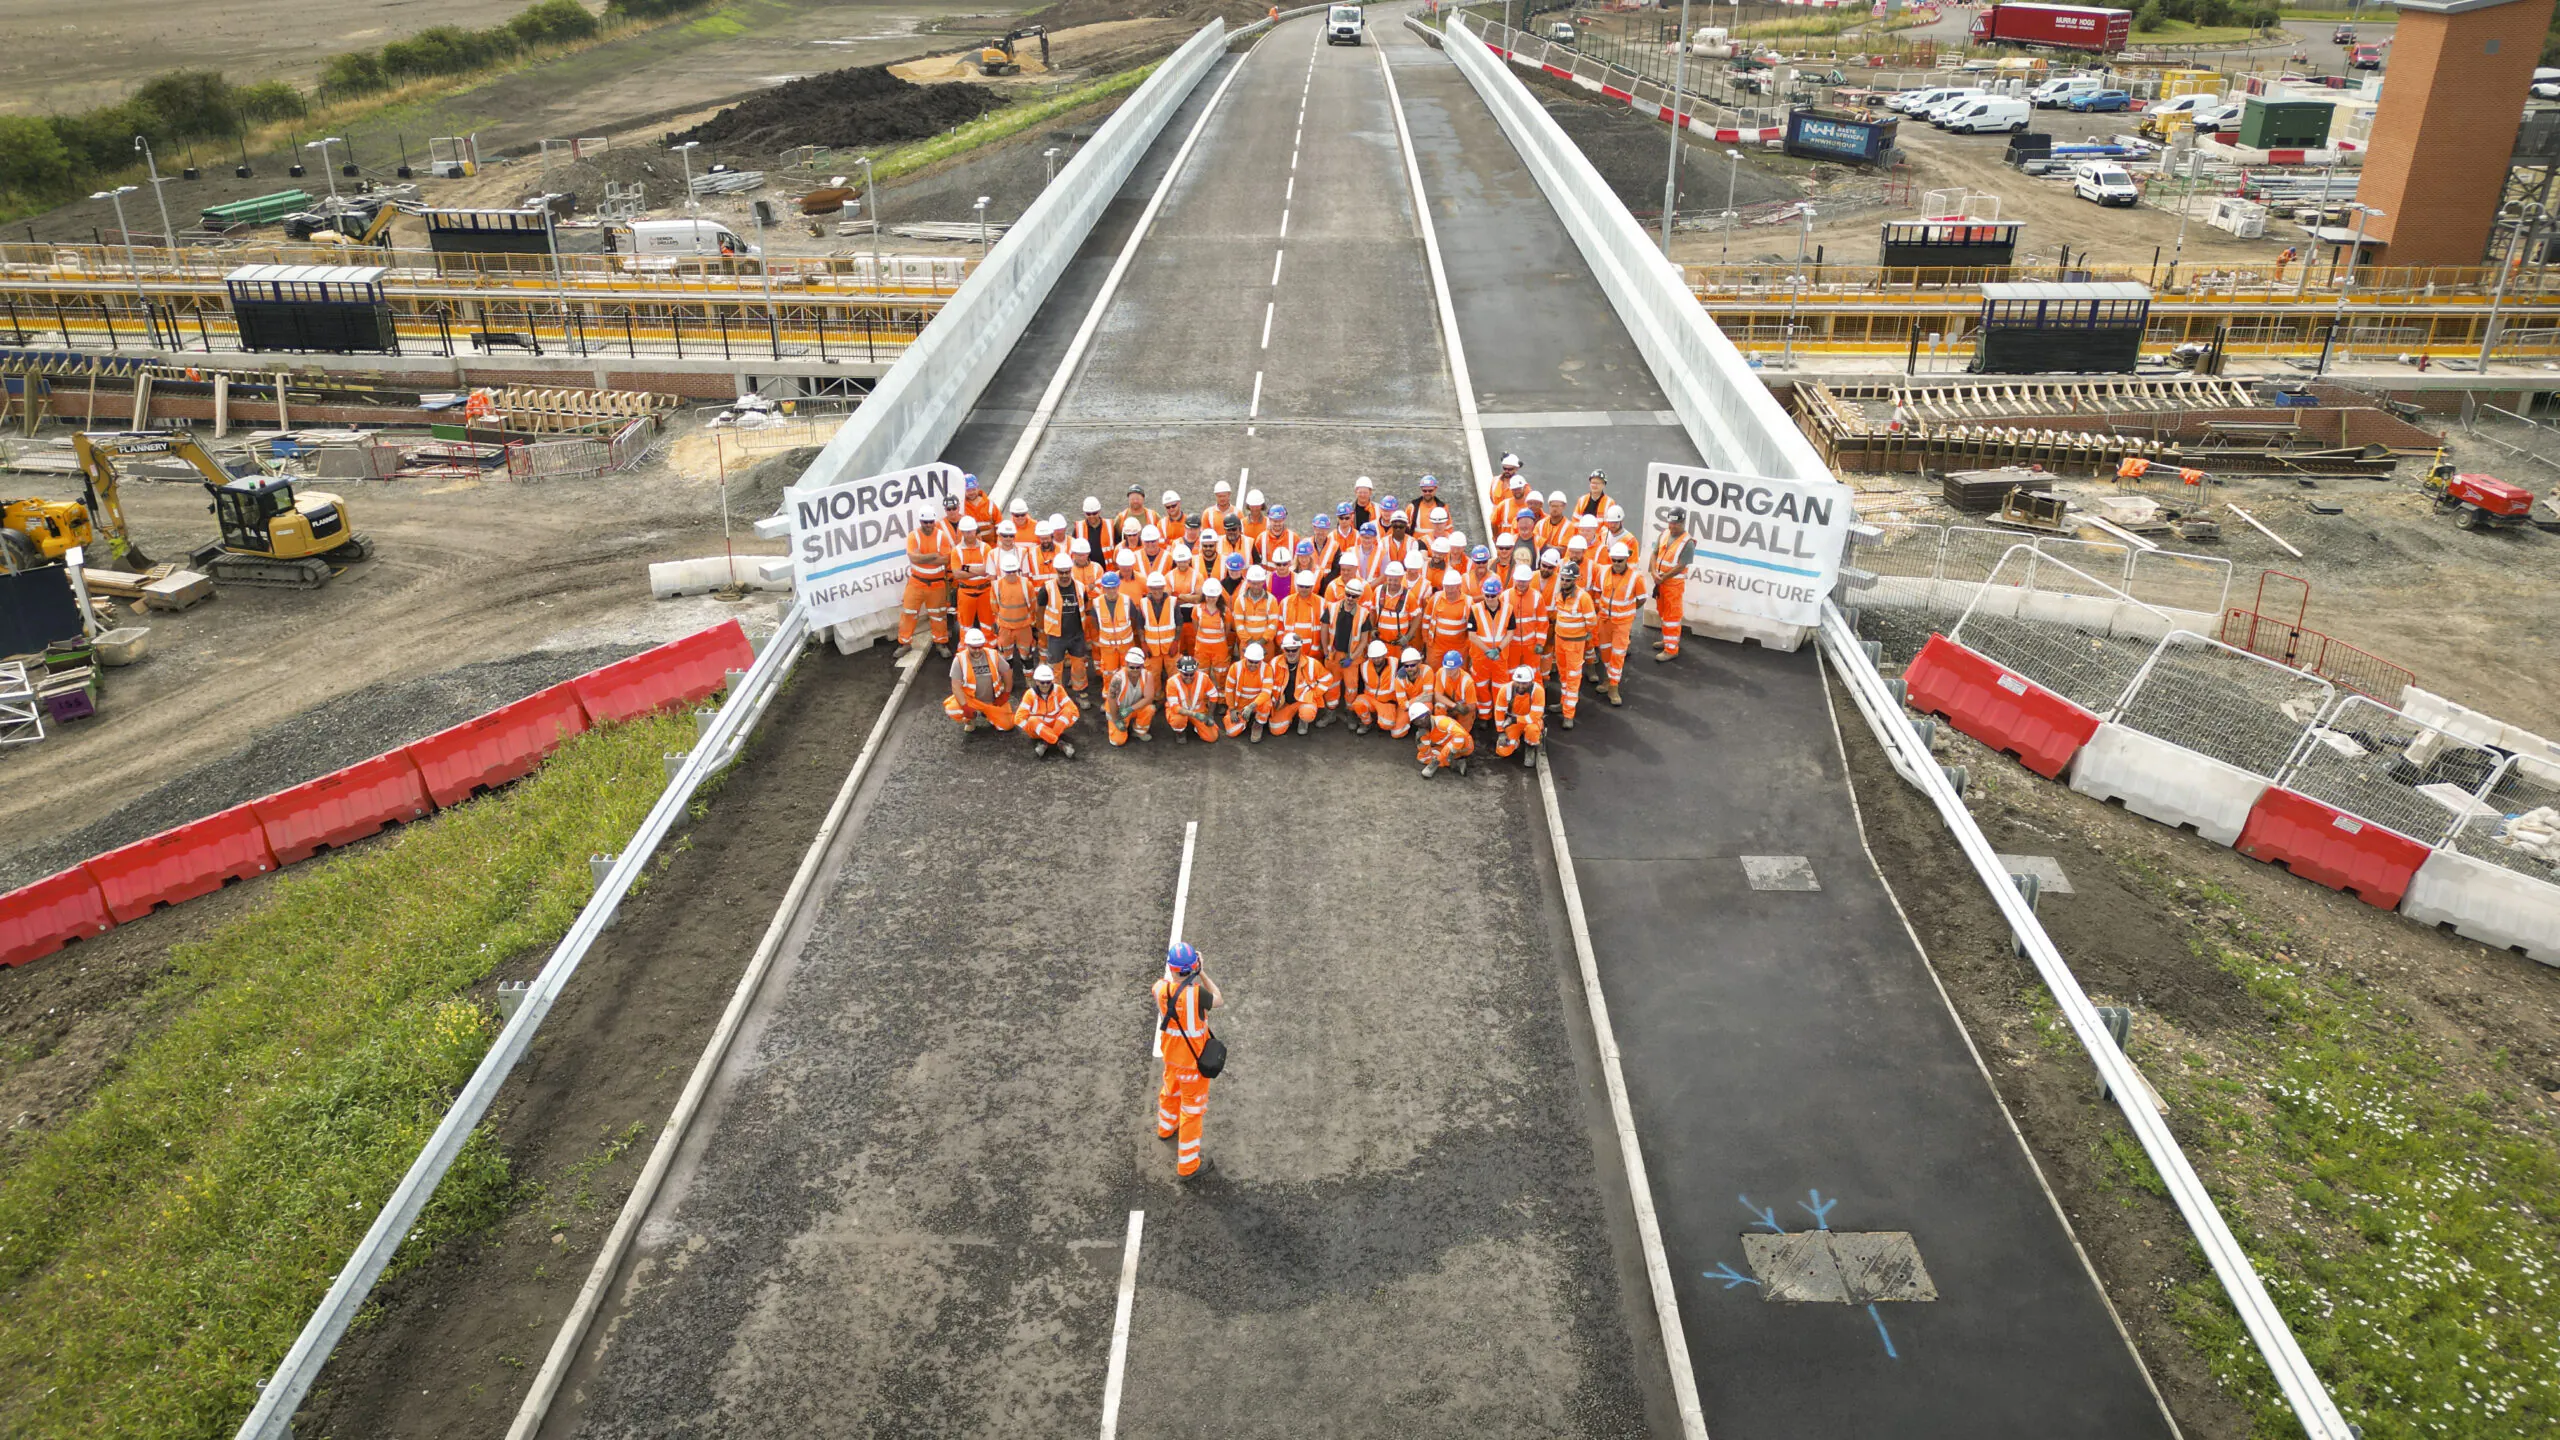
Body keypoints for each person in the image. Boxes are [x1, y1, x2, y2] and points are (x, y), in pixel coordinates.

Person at [1153, 942, 1222, 1179]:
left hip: (1171, 1058)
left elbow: (1169, 984)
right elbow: (1218, 999)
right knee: (1192, 1114)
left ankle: (1166, 1128)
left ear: (1170, 967)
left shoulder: (1159, 989)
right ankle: (1188, 1166)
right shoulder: (1197, 995)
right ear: (1194, 965)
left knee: (1170, 1092)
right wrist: (1201, 972)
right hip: (1193, 1065)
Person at [898, 497, 957, 653]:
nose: (929, 525)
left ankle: (941, 642)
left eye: (931, 522)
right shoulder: (913, 536)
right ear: (920, 522)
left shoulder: (941, 536)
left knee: (939, 615)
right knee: (909, 613)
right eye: (926, 522)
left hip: (937, 584)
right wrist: (933, 556)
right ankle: (905, 642)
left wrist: (923, 557)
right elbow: (913, 557)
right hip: (916, 583)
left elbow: (945, 559)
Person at [1594, 542, 1646, 706]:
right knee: (1605, 653)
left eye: (1620, 561)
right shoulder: (1603, 573)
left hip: (1622, 624)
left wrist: (1628, 611)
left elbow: (1641, 598)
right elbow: (1597, 591)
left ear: (1626, 560)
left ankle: (1613, 687)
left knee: (1617, 655)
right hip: (1604, 621)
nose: (1616, 564)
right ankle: (1607, 679)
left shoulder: (1635, 578)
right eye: (1614, 560)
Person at [1550, 564, 1598, 729]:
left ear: (1575, 580)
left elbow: (1592, 622)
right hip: (1560, 641)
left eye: (1567, 580)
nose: (1564, 582)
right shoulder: (1559, 595)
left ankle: (1568, 714)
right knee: (1563, 676)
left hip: (1575, 644)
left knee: (1572, 678)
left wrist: (1583, 634)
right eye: (1562, 579)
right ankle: (1564, 703)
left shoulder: (1583, 598)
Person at [1647, 511, 1697, 662]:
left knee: (1672, 616)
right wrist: (1654, 573)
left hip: (1673, 586)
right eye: (1670, 523)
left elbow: (1681, 566)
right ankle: (1668, 640)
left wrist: (1663, 577)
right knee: (1663, 612)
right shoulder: (1664, 535)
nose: (1672, 526)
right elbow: (1654, 553)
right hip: (1660, 583)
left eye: (1676, 524)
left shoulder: (1687, 543)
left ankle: (1671, 649)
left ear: (1683, 523)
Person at [944, 628, 1015, 731]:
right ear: (967, 645)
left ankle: (988, 713)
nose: (977, 650)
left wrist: (1006, 694)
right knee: (952, 709)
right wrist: (965, 707)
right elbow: (956, 687)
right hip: (971, 701)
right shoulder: (959, 659)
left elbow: (1007, 673)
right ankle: (971, 718)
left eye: (980, 647)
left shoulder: (993, 655)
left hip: (993, 700)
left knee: (1007, 725)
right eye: (974, 648)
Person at [1042, 554, 1093, 692]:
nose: (1064, 575)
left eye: (1067, 572)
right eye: (1061, 572)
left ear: (1071, 570)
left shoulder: (1080, 587)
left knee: (1079, 667)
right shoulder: (1047, 588)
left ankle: (1081, 692)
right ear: (1056, 571)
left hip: (1076, 634)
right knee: (1055, 669)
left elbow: (1086, 606)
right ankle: (1056, 696)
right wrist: (1041, 631)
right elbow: (1039, 610)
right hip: (1056, 635)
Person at [1019, 663, 1080, 759]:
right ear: (1036, 681)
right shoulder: (1030, 694)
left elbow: (1074, 711)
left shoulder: (1058, 690)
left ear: (1052, 681)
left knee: (1067, 711)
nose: (1045, 685)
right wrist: (1031, 728)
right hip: (1038, 730)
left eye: (1048, 682)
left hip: (1056, 727)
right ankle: (1059, 742)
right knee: (1032, 720)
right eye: (1042, 682)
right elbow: (1018, 718)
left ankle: (1046, 742)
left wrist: (1065, 725)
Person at [1225, 640, 1279, 742]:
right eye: (1251, 661)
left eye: (1256, 662)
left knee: (1267, 703)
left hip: (1256, 704)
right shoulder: (1235, 668)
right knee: (1232, 731)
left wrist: (1251, 706)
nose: (1253, 665)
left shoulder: (1267, 669)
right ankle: (1244, 720)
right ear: (1246, 658)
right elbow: (1229, 690)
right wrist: (1232, 709)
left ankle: (1258, 724)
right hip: (1239, 705)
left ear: (1261, 661)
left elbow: (1266, 692)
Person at [1103, 649, 1158, 746]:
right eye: (1132, 667)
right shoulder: (1118, 679)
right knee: (1117, 741)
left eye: (1138, 667)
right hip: (1118, 710)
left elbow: (1149, 698)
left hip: (1133, 707)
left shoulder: (1147, 675)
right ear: (1126, 664)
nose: (1135, 670)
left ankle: (1139, 731)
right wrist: (1116, 720)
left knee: (1150, 708)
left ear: (1142, 666)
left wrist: (1130, 709)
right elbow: (1112, 700)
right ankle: (1120, 725)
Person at [1492, 664, 1544, 765]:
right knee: (1503, 750)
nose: (1520, 686)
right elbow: (1499, 712)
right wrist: (1501, 732)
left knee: (1532, 730)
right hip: (1513, 723)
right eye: (1518, 682)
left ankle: (1530, 747)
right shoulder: (1505, 690)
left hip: (1531, 722)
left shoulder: (1538, 691)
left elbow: (1534, 716)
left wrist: (1515, 719)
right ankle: (1516, 741)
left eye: (1524, 683)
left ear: (1531, 681)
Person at [1411, 697, 1474, 779]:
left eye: (1422, 717)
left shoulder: (1441, 722)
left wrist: (1438, 759)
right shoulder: (1424, 731)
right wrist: (1420, 743)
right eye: (1416, 720)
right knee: (1422, 757)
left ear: (1429, 714)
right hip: (1449, 751)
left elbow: (1460, 736)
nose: (1421, 722)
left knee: (1457, 738)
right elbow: (1426, 752)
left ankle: (1438, 762)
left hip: (1464, 747)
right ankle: (1455, 762)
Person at [1164, 653, 1221, 742]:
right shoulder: (1172, 682)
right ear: (1179, 671)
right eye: (1186, 674)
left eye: (1192, 674)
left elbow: (1213, 695)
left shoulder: (1204, 678)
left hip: (1199, 711)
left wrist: (1210, 715)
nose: (1189, 677)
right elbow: (1175, 707)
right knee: (1178, 720)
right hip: (1180, 713)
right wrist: (1194, 715)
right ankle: (1180, 732)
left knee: (1212, 738)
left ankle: (1196, 727)